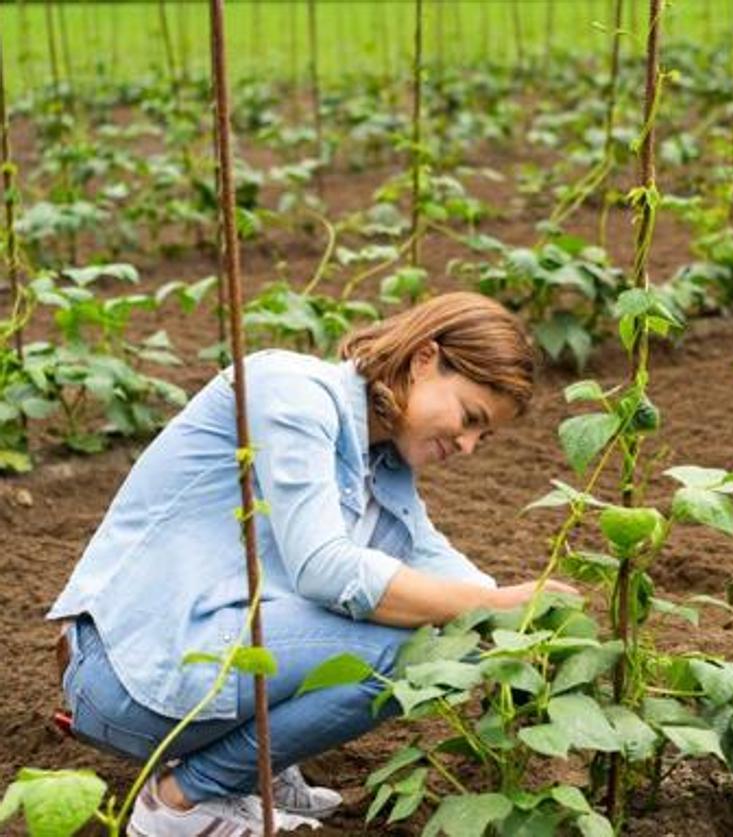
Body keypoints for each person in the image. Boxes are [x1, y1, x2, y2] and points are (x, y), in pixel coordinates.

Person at [48, 292, 575, 835]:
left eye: (481, 437)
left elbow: (434, 558)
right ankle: (183, 802)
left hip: (191, 669)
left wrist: (525, 618)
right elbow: (325, 569)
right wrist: (491, 603)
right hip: (125, 674)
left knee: (421, 622)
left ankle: (251, 775)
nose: (467, 445)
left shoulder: (385, 461)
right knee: (409, 650)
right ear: (423, 359)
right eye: (469, 417)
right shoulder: (293, 391)